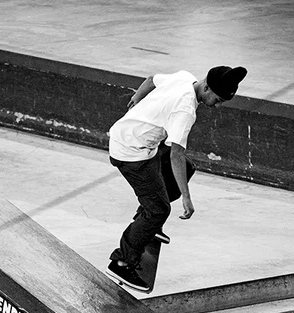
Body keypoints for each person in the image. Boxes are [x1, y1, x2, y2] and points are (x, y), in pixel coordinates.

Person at [106, 65, 248, 291]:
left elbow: (152, 79)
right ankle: (122, 261)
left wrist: (136, 98)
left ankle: (145, 220)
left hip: (136, 140)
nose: (217, 106)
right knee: (159, 210)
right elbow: (176, 155)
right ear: (207, 88)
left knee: (187, 169)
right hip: (132, 153)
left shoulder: (185, 78)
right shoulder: (186, 111)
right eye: (218, 100)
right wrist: (186, 198)